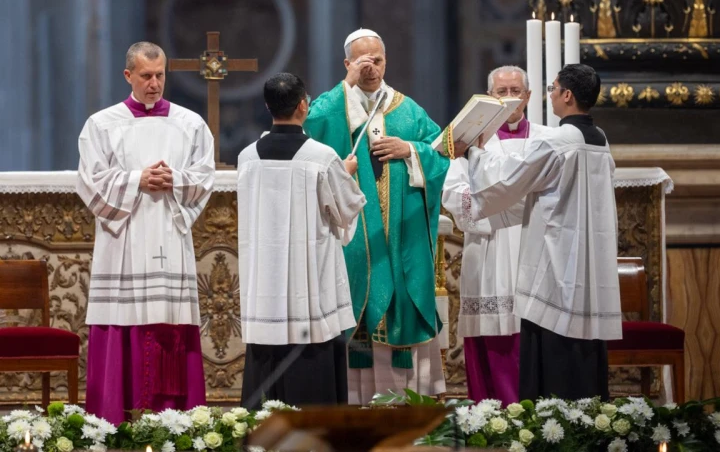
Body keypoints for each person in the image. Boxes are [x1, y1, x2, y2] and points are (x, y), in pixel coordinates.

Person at [455, 63, 621, 401]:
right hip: (588, 263)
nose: (551, 94)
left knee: (554, 353)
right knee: (586, 351)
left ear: (567, 95)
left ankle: (553, 426)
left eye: (554, 87)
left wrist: (472, 152)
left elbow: (509, 180)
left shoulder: (559, 141)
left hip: (555, 264)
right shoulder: (600, 141)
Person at [304, 29, 451, 404]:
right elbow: (310, 128)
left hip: (401, 235)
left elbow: (441, 154)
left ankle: (406, 400)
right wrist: (347, 85)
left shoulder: (407, 108)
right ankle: (356, 402)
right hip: (356, 237)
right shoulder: (335, 104)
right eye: (362, 60)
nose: (371, 67)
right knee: (359, 302)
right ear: (348, 63)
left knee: (399, 298)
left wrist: (410, 150)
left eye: (377, 60)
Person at [77, 42, 215, 423]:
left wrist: (175, 179)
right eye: (146, 76)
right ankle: (112, 417)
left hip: (169, 235)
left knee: (168, 319)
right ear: (128, 76)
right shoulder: (102, 124)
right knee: (122, 319)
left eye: (160, 76)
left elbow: (204, 176)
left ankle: (175, 418)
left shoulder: (190, 124)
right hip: (124, 239)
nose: (154, 84)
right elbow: (90, 181)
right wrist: (138, 179)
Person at [237, 73, 366, 408]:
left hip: (264, 287)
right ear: (303, 105)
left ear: (268, 106)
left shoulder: (247, 157)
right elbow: (346, 211)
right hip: (309, 290)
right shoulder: (322, 158)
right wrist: (346, 174)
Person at [441, 66, 532, 405]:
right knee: (488, 333)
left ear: (528, 97)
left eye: (515, 91)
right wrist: (491, 209)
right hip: (488, 246)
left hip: (528, 247)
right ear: (488, 98)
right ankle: (489, 410)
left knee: (527, 332)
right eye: (501, 92)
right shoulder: (469, 142)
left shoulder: (544, 139)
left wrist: (499, 202)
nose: (509, 98)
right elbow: (453, 190)